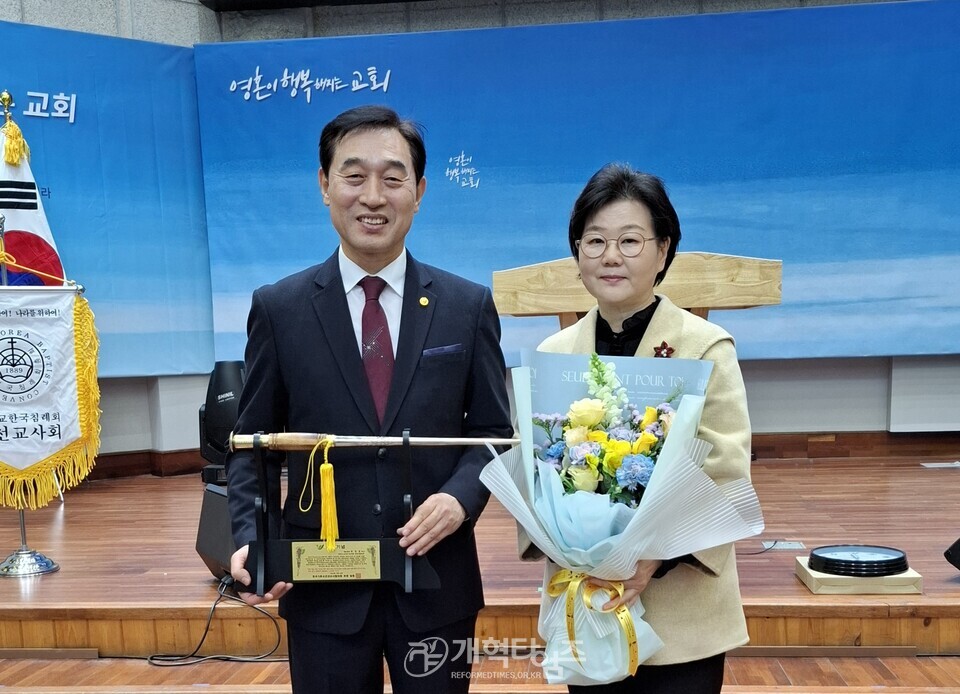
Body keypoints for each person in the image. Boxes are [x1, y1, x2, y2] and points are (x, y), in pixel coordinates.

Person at [225, 105, 513, 694]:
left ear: (421, 190)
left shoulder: (468, 305)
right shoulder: (279, 309)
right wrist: (253, 538)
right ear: (324, 186)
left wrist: (460, 500)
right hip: (322, 588)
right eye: (354, 176)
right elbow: (251, 445)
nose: (373, 196)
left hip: (436, 583)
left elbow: (494, 436)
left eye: (393, 177)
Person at [533, 163, 752, 693]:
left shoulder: (705, 346)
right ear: (577, 252)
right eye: (596, 241)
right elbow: (537, 472)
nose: (611, 256)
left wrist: (652, 558)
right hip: (589, 601)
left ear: (663, 250)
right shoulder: (553, 355)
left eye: (631, 241)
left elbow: (725, 468)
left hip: (680, 612)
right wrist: (574, 544)